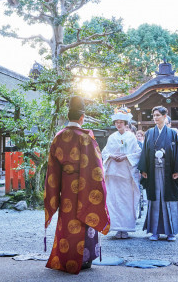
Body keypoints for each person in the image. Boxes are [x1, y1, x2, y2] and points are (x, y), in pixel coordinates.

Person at [44, 96, 110, 275]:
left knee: (66, 220)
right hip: (84, 186)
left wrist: (54, 192)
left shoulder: (58, 137)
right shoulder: (86, 138)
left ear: (68, 116)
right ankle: (84, 260)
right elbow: (96, 169)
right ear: (82, 117)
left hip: (65, 187)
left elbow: (52, 170)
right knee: (85, 215)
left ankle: (65, 258)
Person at [138, 105, 178, 242]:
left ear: (165, 117)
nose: (155, 118)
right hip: (153, 171)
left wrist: (177, 171)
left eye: (158, 115)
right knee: (155, 199)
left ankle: (171, 232)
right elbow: (145, 152)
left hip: (169, 171)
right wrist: (144, 169)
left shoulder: (173, 134)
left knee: (169, 199)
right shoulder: (150, 133)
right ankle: (155, 231)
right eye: (154, 115)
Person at [102, 107, 141, 239]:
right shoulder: (112, 137)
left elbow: (137, 153)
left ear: (126, 124)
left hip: (125, 173)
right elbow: (104, 152)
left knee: (126, 201)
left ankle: (126, 228)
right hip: (113, 173)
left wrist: (126, 157)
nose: (118, 124)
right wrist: (111, 156)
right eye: (117, 122)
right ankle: (117, 228)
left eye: (121, 122)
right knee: (114, 200)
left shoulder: (131, 137)